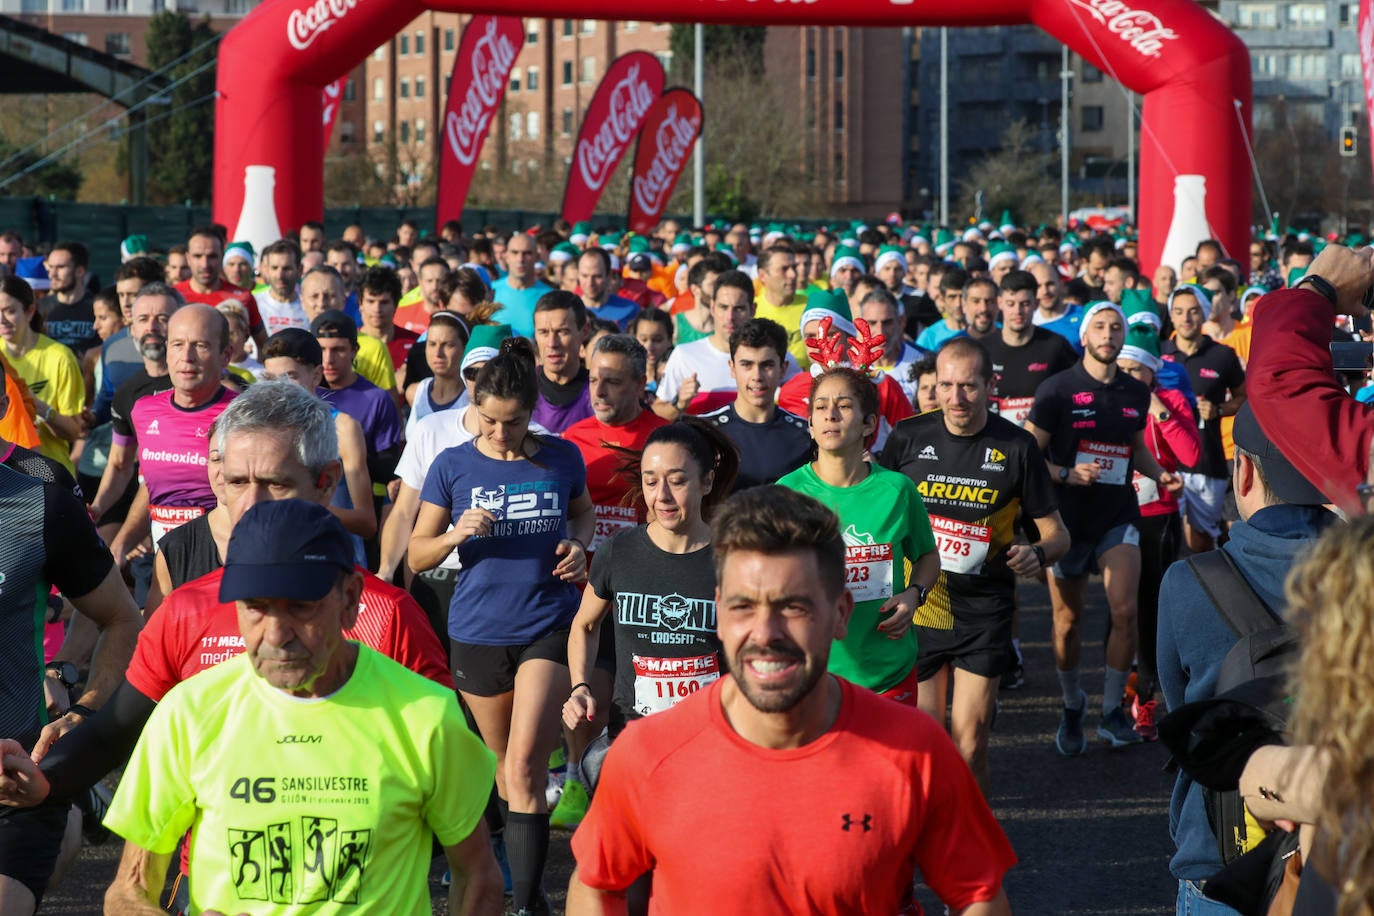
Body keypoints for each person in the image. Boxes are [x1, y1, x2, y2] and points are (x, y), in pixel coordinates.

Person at [566, 485, 1015, 915]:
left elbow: (977, 895)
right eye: (744, 606)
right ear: (719, 613)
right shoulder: (647, 752)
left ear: (840, 613)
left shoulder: (915, 750)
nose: (766, 634)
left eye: (794, 607)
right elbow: (597, 888)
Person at [88, 499, 503, 915]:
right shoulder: (188, 713)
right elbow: (127, 893)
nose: (276, 634)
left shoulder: (425, 714)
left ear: (350, 600)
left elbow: (478, 877)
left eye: (301, 607)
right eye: (255, 607)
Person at [409, 338, 594, 916]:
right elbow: (417, 555)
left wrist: (579, 545)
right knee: (502, 774)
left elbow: (583, 510)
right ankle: (519, 882)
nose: (498, 432)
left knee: (525, 766)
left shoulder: (561, 457)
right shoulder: (453, 464)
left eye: (511, 422)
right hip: (477, 630)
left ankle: (528, 900)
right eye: (487, 419)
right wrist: (456, 535)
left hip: (547, 623)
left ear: (532, 411)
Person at [1157, 403, 1335, 914]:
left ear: (1245, 471)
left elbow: (1183, 711)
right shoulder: (1361, 571)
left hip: (1219, 853)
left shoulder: (1188, 582)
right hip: (1343, 844)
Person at [880, 337, 1068, 793]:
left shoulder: (1017, 446)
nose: (956, 398)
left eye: (968, 386)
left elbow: (1058, 534)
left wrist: (1037, 553)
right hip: (921, 608)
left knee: (970, 745)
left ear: (989, 385)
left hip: (984, 612)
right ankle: (925, 841)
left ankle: (969, 850)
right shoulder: (909, 437)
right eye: (946, 385)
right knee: (924, 744)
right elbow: (877, 509)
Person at [1025, 301, 1181, 754]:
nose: (1109, 334)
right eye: (1100, 327)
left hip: (1118, 512)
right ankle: (1073, 702)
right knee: (1067, 622)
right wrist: (1067, 474)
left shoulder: (1134, 392)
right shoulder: (1056, 390)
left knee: (1125, 610)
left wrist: (1159, 474)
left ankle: (1112, 711)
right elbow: (1031, 456)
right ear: (1085, 336)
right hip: (1066, 519)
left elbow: (1136, 449)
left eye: (1116, 327)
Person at [778, 367, 940, 704]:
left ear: (869, 424)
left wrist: (915, 594)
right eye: (820, 407)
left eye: (844, 406)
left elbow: (927, 556)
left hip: (888, 673)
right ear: (809, 424)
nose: (830, 415)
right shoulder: (785, 494)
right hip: (813, 675)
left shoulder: (897, 489)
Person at [1116, 333, 1199, 741]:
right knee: (1118, 605)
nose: (1129, 376)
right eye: (1124, 368)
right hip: (1113, 511)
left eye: (1137, 370)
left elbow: (1190, 456)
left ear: (1152, 372)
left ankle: (1146, 694)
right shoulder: (1107, 399)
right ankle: (1116, 690)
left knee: (1150, 605)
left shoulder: (1170, 402)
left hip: (1157, 515)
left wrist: (1159, 410)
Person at [1161, 285, 1246, 553]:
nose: (1186, 318)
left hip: (1207, 461)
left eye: (1193, 311)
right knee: (1163, 538)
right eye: (1179, 312)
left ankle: (1201, 593)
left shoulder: (1222, 354)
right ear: (1171, 316)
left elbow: (1244, 398)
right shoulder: (1158, 354)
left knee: (1201, 544)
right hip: (1164, 463)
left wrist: (1219, 409)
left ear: (1204, 314)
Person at [656, 270, 799, 420]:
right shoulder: (684, 355)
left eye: (739, 309)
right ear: (712, 307)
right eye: (723, 307)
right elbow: (657, 414)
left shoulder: (776, 358)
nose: (730, 317)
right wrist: (679, 404)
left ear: (753, 310)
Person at [701, 318, 810, 491]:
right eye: (747, 365)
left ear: (783, 368)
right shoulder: (704, 432)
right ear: (732, 368)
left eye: (766, 365)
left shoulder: (807, 435)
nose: (757, 376)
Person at [312, 309, 402, 516]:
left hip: (361, 505)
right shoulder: (304, 394)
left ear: (354, 350)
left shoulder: (377, 398)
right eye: (322, 349)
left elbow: (387, 465)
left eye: (338, 350)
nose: (328, 359)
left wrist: (349, 452)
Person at [0, 275, 86, 473]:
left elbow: (76, 431)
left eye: (9, 311)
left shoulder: (60, 357)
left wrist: (38, 407)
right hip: (8, 478)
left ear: (30, 311)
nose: (2, 320)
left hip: (51, 476)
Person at [982, 269, 1077, 426]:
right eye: (1010, 304)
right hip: (995, 441)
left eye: (1025, 304)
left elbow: (1078, 391)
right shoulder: (983, 349)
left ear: (1036, 304)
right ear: (1000, 303)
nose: (1017, 312)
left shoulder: (1056, 346)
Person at [300, 266, 395, 394]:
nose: (322, 303)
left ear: (344, 300)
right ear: (302, 301)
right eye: (314, 296)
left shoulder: (374, 348)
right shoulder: (295, 348)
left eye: (330, 295)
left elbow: (387, 407)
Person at [174, 227, 267, 353]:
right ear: (188, 258)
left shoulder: (243, 297)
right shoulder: (173, 296)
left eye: (212, 256)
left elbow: (265, 348)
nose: (205, 264)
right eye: (198, 256)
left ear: (222, 256)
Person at [404, 311, 469, 435]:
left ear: (464, 347)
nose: (438, 353)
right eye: (432, 344)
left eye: (448, 345)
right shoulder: (415, 392)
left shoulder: (473, 399)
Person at [859, 287, 924, 406]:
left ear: (900, 322)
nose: (880, 332)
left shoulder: (921, 363)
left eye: (887, 323)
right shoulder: (852, 366)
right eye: (872, 323)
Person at [751, 244, 809, 369]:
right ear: (762, 275)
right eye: (784, 269)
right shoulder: (751, 310)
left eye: (794, 267)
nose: (793, 275)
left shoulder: (811, 308)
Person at [37, 242, 99, 358]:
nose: (52, 274)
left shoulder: (98, 307)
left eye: (60, 267)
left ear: (80, 271)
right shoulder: (39, 308)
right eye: (50, 267)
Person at [492, 233, 553, 339]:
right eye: (515, 252)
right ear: (506, 256)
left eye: (527, 253)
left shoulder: (550, 296)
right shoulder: (490, 290)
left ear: (537, 257)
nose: (520, 259)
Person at [250, 238, 307, 336]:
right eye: (274, 268)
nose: (280, 275)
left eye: (286, 268)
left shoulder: (312, 306)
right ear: (267, 269)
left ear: (300, 270)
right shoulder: (252, 303)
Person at [578, 249, 640, 331]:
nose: (590, 283)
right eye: (585, 276)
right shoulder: (569, 311)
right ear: (578, 275)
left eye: (597, 276)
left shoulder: (631, 310)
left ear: (609, 276)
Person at [627, 307, 672, 398]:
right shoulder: (625, 374)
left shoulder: (677, 375)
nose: (649, 347)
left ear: (670, 340)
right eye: (643, 339)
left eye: (657, 340)